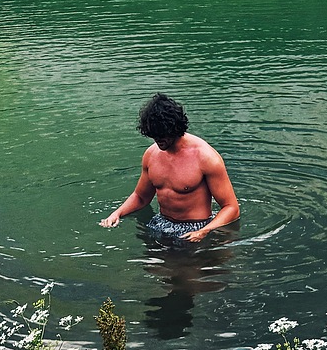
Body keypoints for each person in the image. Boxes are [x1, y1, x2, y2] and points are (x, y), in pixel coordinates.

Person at [100, 93, 240, 243]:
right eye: (154, 135)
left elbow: (231, 207)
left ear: (175, 128)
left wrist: (204, 231)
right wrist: (117, 213)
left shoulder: (205, 157)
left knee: (187, 267)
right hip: (160, 224)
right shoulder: (151, 155)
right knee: (152, 266)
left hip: (194, 229)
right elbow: (141, 197)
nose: (158, 140)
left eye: (162, 135)